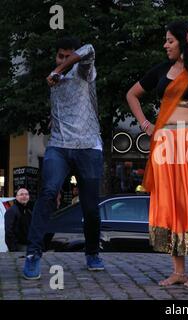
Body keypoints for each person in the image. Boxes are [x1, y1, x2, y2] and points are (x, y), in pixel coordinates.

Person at [126, 20, 188, 287]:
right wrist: (145, 123)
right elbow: (132, 95)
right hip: (166, 141)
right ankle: (178, 270)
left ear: (182, 41)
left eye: (170, 40)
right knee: (171, 203)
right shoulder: (161, 69)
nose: (165, 45)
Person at [23, 36, 104, 280]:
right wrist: (56, 73)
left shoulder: (84, 71)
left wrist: (61, 67)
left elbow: (89, 49)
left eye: (68, 56)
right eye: (60, 56)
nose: (63, 60)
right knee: (48, 192)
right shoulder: (54, 80)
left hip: (89, 147)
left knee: (90, 207)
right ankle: (33, 254)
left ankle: (92, 253)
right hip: (58, 146)